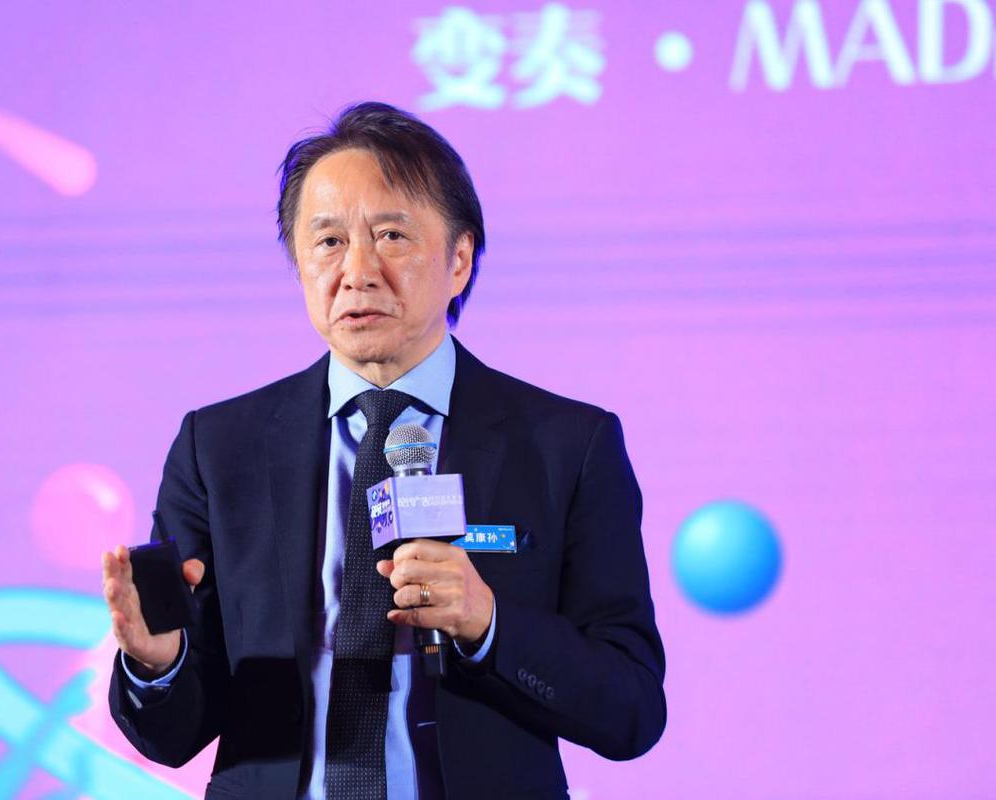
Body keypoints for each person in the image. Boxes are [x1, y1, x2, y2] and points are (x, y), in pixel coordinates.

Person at [101, 101, 665, 800]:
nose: (357, 271)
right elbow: (175, 732)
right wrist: (158, 664)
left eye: (391, 236)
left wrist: (489, 624)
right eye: (328, 241)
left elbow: (632, 709)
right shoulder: (218, 448)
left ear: (459, 260)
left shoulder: (567, 445)